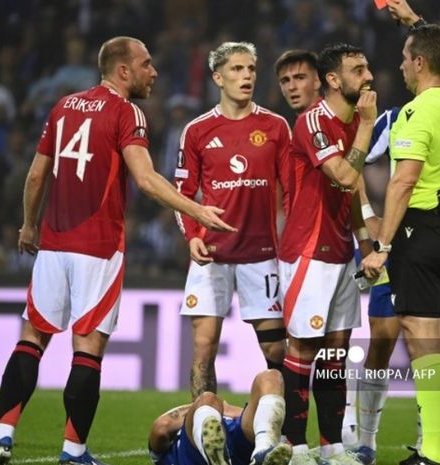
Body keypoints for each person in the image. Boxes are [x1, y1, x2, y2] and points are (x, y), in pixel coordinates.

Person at [0, 36, 235, 465]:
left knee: (31, 339)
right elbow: (147, 180)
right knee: (88, 348)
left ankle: (1, 438)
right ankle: (73, 451)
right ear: (123, 71)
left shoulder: (63, 107)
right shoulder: (126, 111)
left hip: (53, 246)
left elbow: (37, 175)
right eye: (146, 65)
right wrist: (197, 210)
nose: (154, 73)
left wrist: (28, 224)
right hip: (98, 247)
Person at [360, 4, 440, 463]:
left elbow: (402, 182)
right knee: (438, 345)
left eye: (407, 57)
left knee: (421, 341)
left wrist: (381, 246)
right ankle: (439, 450)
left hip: (420, 233)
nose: (401, 65)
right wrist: (413, 20)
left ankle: (436, 455)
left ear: (420, 63)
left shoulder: (414, 113)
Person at [277, 43, 376, 465]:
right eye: (358, 69)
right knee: (302, 351)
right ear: (334, 80)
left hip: (340, 254)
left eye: (367, 66)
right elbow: (341, 173)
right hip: (307, 253)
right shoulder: (312, 121)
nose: (368, 75)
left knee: (336, 352)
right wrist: (369, 126)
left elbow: (351, 190)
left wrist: (367, 245)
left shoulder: (352, 121)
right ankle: (295, 446)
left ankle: (331, 446)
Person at [175, 42, 291, 399]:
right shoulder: (197, 130)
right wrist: (192, 236)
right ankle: (200, 429)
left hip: (262, 254)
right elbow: (181, 193)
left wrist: (290, 244)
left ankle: (280, 429)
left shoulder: (275, 126)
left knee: (275, 350)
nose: (246, 76)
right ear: (218, 77)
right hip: (212, 254)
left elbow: (292, 192)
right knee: (204, 347)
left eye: (251, 69)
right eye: (237, 69)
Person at [148, 369, 292, 465]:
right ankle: (215, 458)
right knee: (208, 398)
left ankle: (262, 452)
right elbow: (162, 427)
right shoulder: (169, 449)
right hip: (193, 452)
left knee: (271, 377)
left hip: (233, 436)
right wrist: (224, 407)